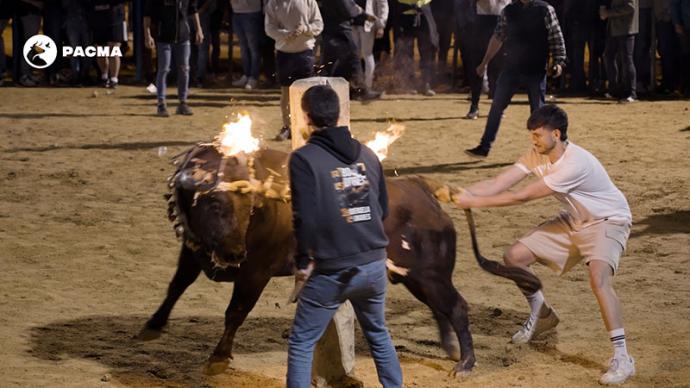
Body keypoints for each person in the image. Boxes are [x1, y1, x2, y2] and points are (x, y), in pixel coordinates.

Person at [453, 104, 635, 385]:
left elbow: (521, 196)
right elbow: (500, 182)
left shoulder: (575, 163)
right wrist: (461, 193)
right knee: (515, 256)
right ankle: (543, 316)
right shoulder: (536, 155)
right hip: (575, 220)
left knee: (598, 279)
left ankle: (623, 357)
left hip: (607, 221)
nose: (533, 140)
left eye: (538, 135)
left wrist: (474, 202)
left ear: (556, 134)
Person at [287, 85, 402, 388]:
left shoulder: (304, 159)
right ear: (338, 115)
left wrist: (302, 261)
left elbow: (304, 218)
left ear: (306, 116)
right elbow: (383, 209)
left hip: (332, 271)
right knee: (378, 334)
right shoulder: (368, 154)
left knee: (301, 342)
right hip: (374, 264)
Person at [464, 0, 566, 159]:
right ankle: (485, 146)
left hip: (535, 68)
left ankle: (547, 150)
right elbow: (498, 37)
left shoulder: (545, 10)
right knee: (496, 107)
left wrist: (559, 61)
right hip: (512, 67)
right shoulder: (509, 10)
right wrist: (485, 61)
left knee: (538, 114)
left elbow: (556, 36)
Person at [264, 0, 323, 141]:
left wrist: (306, 28)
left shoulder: (308, 1)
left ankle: (306, 126)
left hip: (305, 51)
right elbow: (269, 28)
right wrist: (285, 34)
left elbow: (318, 24)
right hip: (284, 52)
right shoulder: (274, 3)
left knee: (306, 93)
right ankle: (287, 126)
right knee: (286, 92)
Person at [144, 0, 204, 117]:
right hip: (164, 37)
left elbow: (193, 9)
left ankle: (183, 102)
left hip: (183, 36)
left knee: (184, 69)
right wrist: (147, 35)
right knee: (164, 69)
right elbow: (147, 14)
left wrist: (199, 29)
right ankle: (161, 104)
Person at [319, 0, 383, 100]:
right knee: (353, 58)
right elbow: (348, 7)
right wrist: (364, 15)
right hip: (341, 29)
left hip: (329, 28)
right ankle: (359, 91)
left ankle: (326, 90)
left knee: (332, 62)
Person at [464, 0, 510, 119]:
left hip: (502, 18)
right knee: (478, 64)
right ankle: (474, 105)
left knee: (498, 67)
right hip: (482, 20)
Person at [393, 0, 439, 95]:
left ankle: (426, 83)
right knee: (406, 50)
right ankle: (410, 84)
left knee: (426, 50)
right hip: (404, 13)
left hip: (423, 11)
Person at [600, 0, 639, 103]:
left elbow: (630, 8)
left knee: (627, 59)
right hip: (614, 28)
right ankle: (614, 89)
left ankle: (632, 93)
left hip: (626, 28)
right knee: (608, 56)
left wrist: (609, 13)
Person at [352, 0, 389, 91]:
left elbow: (383, 5)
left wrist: (381, 25)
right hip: (351, 24)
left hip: (368, 25)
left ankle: (367, 86)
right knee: (353, 56)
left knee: (367, 54)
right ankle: (355, 86)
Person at [89, 0, 126, 88]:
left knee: (114, 49)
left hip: (115, 19)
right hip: (98, 20)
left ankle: (114, 79)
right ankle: (104, 77)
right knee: (100, 50)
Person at [230, 0, 263, 89]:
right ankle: (246, 75)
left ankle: (253, 77)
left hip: (251, 12)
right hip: (236, 12)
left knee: (253, 48)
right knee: (243, 47)